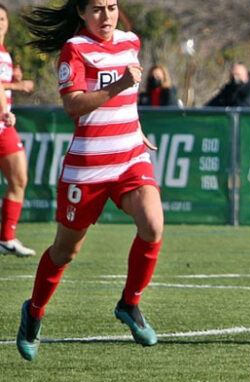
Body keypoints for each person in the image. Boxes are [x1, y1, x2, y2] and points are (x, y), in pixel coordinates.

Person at [17, 0, 164, 361]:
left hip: (130, 156)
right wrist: (118, 85)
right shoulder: (75, 49)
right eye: (97, 9)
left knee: (153, 224)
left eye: (112, 7)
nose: (107, 16)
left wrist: (137, 127)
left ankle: (130, 304)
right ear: (81, 12)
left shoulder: (131, 42)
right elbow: (73, 106)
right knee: (65, 252)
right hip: (88, 168)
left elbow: (129, 97)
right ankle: (33, 312)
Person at [0, 3, 35, 257]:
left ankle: (6, 238)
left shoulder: (5, 53)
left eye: (2, 18)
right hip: (3, 119)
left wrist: (13, 81)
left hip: (3, 126)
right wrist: (18, 86)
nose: (0, 22)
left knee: (20, 178)